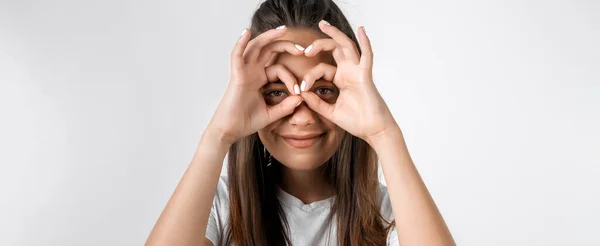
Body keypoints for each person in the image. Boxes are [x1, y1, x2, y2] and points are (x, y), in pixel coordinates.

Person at [146, 0, 455, 245]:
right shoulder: (219, 207)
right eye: (277, 92)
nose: (304, 116)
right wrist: (218, 136)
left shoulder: (388, 211)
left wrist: (384, 134)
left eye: (323, 89)